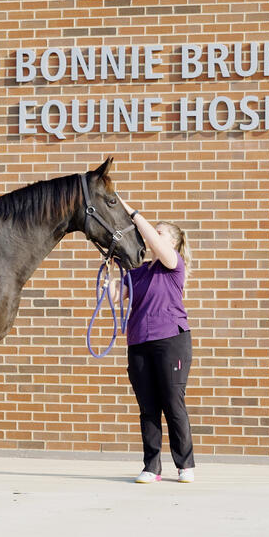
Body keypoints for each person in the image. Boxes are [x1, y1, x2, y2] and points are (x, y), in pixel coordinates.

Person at [110, 198, 195, 484]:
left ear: (172, 242)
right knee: (148, 407)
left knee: (173, 403)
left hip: (171, 339)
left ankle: (185, 465)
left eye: (160, 233)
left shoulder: (173, 264)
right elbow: (112, 298)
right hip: (139, 342)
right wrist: (110, 280)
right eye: (153, 232)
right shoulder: (137, 274)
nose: (153, 237)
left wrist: (133, 214)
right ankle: (152, 467)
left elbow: (157, 245)